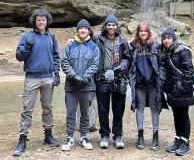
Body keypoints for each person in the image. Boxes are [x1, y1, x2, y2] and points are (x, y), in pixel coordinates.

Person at [13, 9, 60, 156]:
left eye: (43, 20)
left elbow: (56, 56)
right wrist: (27, 46)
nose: (41, 22)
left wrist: (57, 73)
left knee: (48, 107)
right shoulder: (27, 36)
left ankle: (48, 134)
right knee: (27, 109)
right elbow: (19, 57)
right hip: (32, 77)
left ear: (47, 21)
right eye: (39, 20)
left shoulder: (52, 37)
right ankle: (22, 139)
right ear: (35, 21)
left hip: (47, 77)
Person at [93, 13, 130, 149]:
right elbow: (85, 44)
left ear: (116, 26)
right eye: (108, 25)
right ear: (105, 26)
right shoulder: (97, 39)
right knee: (103, 109)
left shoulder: (122, 40)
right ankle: (104, 135)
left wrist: (119, 68)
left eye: (113, 25)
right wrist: (72, 40)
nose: (111, 27)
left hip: (118, 79)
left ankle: (118, 135)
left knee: (118, 108)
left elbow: (127, 58)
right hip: (101, 79)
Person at [61, 19, 99, 151]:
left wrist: (84, 77)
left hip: (87, 85)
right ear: (77, 30)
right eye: (80, 28)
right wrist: (74, 76)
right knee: (70, 112)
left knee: (85, 113)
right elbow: (64, 62)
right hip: (71, 86)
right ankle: (70, 137)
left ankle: (83, 136)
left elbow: (95, 64)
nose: (83, 30)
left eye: (85, 28)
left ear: (89, 31)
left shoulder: (94, 47)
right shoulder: (69, 45)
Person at [129, 23, 168, 151]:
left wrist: (161, 78)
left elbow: (162, 63)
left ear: (149, 32)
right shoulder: (133, 46)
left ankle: (155, 137)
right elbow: (127, 61)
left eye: (145, 31)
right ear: (138, 32)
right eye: (141, 31)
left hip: (153, 83)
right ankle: (140, 136)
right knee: (139, 108)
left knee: (154, 109)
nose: (143, 33)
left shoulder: (156, 46)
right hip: (139, 84)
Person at [161, 27, 194, 156]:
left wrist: (183, 87)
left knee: (184, 115)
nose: (166, 40)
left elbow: (189, 70)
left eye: (168, 38)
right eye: (164, 38)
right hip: (172, 90)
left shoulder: (183, 51)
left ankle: (186, 143)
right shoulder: (167, 53)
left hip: (182, 90)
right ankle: (178, 139)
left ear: (173, 39)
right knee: (176, 115)